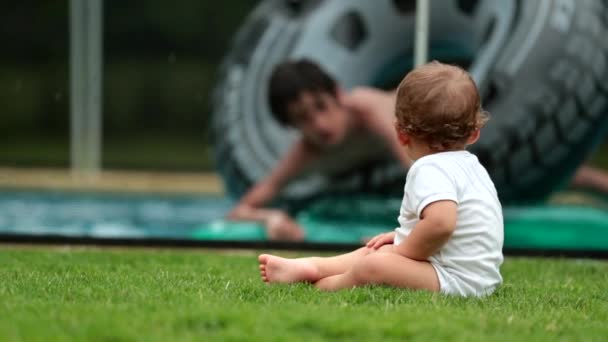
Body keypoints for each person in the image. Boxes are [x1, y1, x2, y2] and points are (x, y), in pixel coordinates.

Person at [258, 61, 504, 297]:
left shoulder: (429, 167)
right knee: (379, 249)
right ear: (474, 134)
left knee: (376, 265)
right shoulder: (472, 168)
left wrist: (402, 250)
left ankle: (323, 285)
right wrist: (402, 238)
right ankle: (312, 266)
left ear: (402, 135)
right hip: (477, 277)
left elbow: (441, 224)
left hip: (457, 281)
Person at [227, 59, 413, 240]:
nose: (319, 124)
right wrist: (271, 218)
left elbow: (419, 172)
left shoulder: (368, 109)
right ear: (291, 126)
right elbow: (239, 211)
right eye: (302, 117)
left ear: (338, 94)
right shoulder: (306, 152)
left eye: (321, 106)